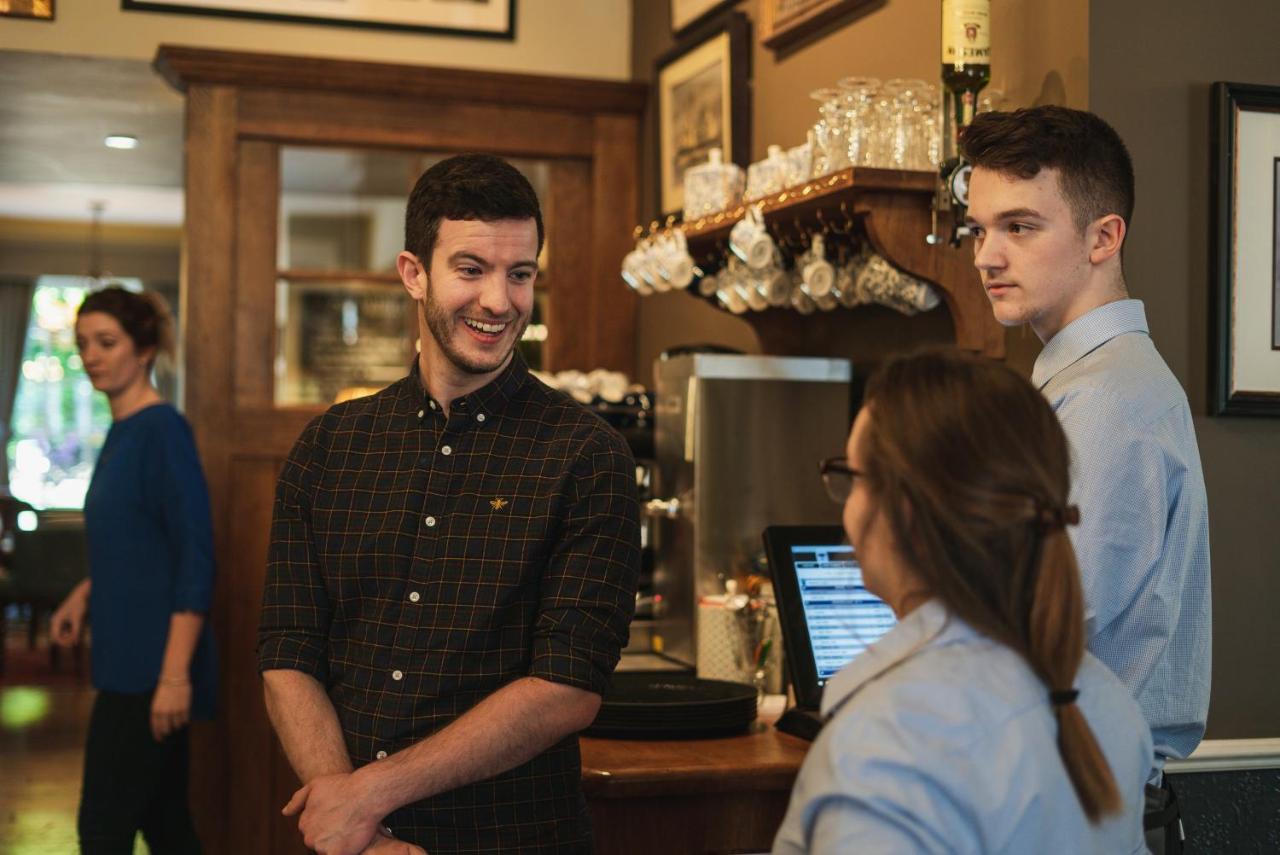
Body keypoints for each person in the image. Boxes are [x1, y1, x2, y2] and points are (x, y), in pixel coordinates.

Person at [258, 153, 641, 855]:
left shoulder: (589, 456)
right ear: (414, 273)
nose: (500, 300)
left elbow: (569, 684)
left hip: (515, 839)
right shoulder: (329, 448)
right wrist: (356, 829)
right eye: (471, 269)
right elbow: (289, 652)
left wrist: (364, 798)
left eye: (520, 274)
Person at [773, 348, 1152, 854]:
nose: (845, 509)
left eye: (852, 477)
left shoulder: (887, 747)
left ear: (903, 514)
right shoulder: (1109, 705)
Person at [962, 106, 1211, 851]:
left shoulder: (1106, 398)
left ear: (1104, 237)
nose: (986, 256)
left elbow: (1046, 630)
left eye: (1020, 226)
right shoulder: (1090, 384)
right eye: (979, 228)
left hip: (1073, 803)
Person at [50, 286, 216, 854]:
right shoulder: (122, 432)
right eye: (82, 345)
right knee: (165, 824)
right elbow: (139, 541)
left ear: (143, 350)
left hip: (150, 670)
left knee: (103, 829)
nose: (91, 356)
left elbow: (195, 555)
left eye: (106, 342)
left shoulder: (162, 430)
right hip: (126, 658)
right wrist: (85, 593)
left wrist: (173, 676)